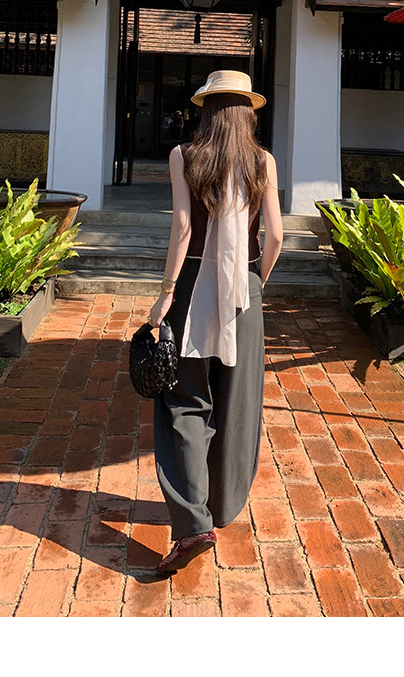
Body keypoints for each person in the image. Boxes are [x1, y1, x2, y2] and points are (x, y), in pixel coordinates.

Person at [148, 69, 284, 576]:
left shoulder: (184, 155)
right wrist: (255, 282)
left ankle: (192, 525)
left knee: (184, 400)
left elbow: (183, 229)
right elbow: (276, 236)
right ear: (247, 112)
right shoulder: (263, 161)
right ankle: (223, 508)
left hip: (192, 286)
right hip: (245, 287)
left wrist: (165, 294)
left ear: (206, 109)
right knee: (237, 401)